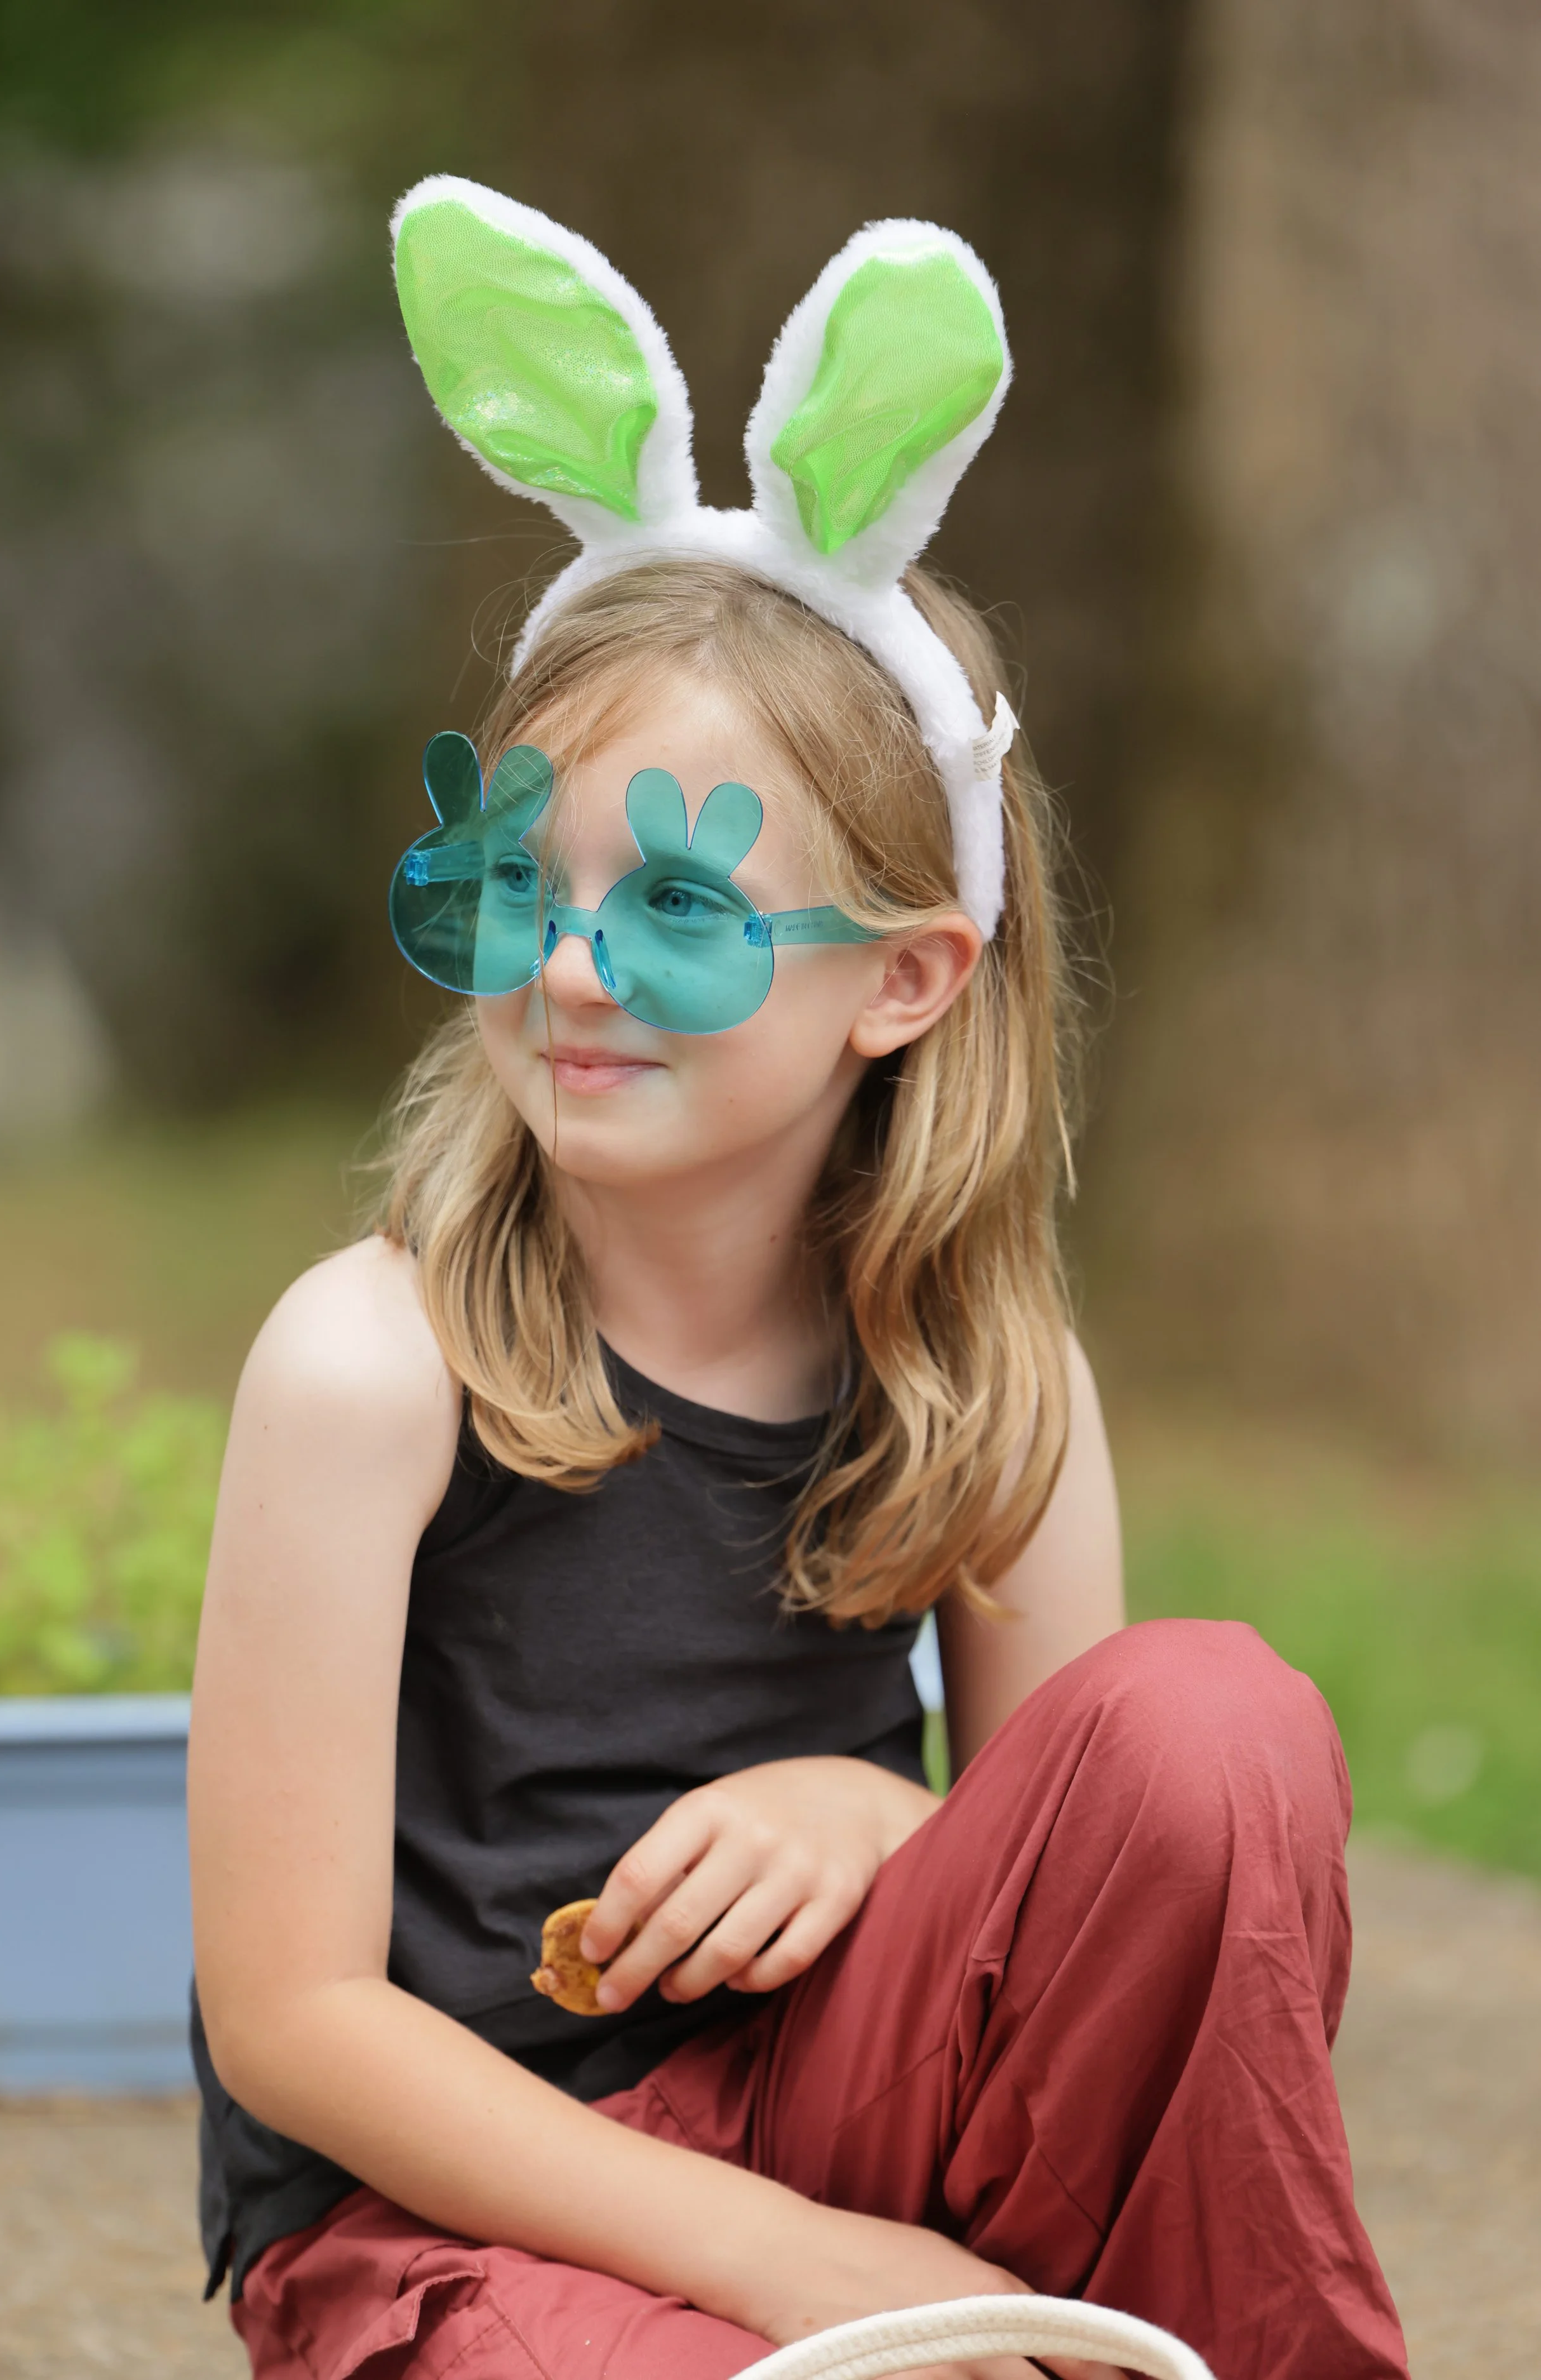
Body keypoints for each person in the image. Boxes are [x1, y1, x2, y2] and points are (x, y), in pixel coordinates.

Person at [186, 182, 1408, 2380]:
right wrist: (791, 2263)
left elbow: (1097, 1909)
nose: (565, 968)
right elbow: (292, 2020)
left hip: (848, 2133)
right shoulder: (372, 1361)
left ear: (907, 981)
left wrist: (879, 1810)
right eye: (514, 882)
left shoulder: (979, 1370)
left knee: (1208, 1723)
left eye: (669, 905)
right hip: (458, 2210)